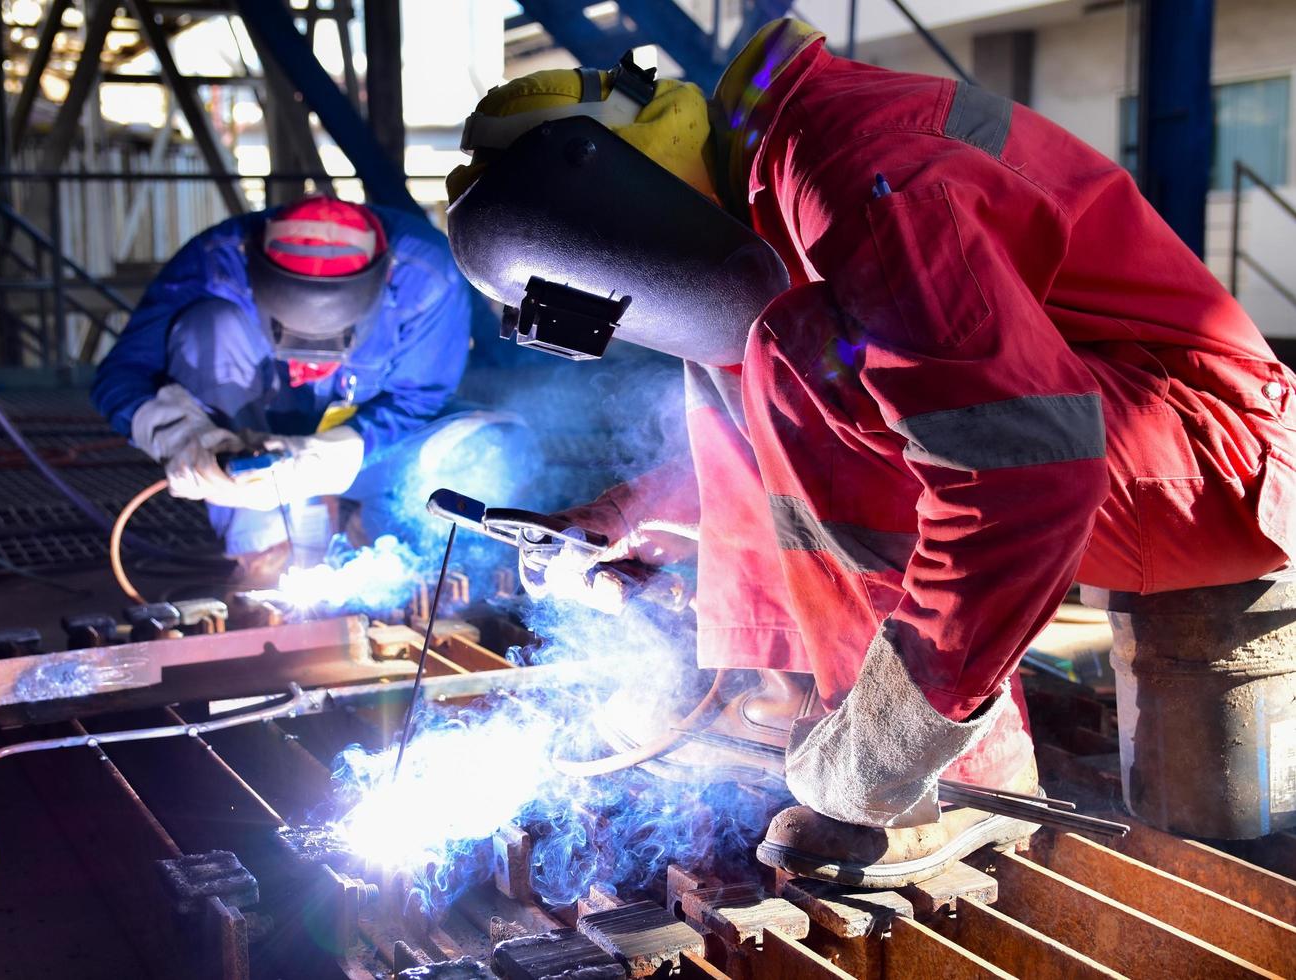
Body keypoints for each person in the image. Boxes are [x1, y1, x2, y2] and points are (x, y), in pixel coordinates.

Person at [444, 22, 1296, 885]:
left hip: (1221, 460)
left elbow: (1020, 471)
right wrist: (626, 512)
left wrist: (892, 739)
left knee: (799, 349)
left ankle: (956, 774)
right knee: (752, 345)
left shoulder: (862, 178)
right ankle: (788, 689)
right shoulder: (772, 172)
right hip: (1134, 445)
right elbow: (819, 429)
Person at [93, 193, 525, 582]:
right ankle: (264, 549)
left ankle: (368, 553)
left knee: (489, 452)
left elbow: (419, 397)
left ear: (381, 281)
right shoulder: (215, 261)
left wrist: (337, 452)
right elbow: (122, 375)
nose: (308, 365)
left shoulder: (426, 274)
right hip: (248, 459)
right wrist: (186, 438)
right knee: (210, 328)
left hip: (363, 452)